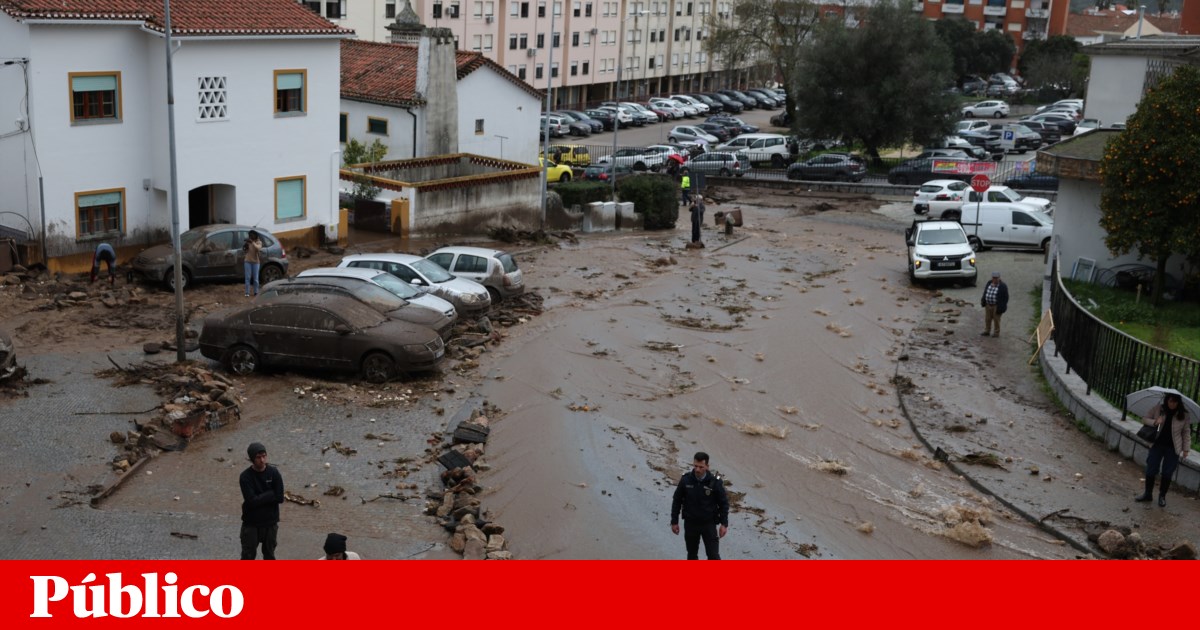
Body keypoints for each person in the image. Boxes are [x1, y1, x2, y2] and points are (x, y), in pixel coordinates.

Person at [670, 452, 729, 560]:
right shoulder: (686, 480)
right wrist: (674, 521)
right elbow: (677, 501)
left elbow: (724, 504)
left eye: (701, 467)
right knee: (692, 556)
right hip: (690, 524)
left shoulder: (715, 482)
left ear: (707, 466)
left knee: (713, 556)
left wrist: (724, 524)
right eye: (695, 466)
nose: (697, 470)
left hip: (708, 525)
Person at [1135, 393, 1191, 507]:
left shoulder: (1184, 415)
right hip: (1157, 444)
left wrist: (1186, 449)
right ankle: (1148, 494)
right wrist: (1155, 421)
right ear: (1167, 400)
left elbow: (1186, 433)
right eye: (1170, 401)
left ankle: (1162, 496)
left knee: (1167, 472)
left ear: (1178, 403)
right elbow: (1144, 419)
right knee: (1151, 468)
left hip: (1173, 448)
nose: (1172, 404)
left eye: (1175, 402)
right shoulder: (1159, 408)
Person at [239, 441, 284, 560]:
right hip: (251, 523)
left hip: (270, 522)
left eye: (264, 456)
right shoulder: (245, 477)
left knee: (269, 555)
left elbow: (280, 497)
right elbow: (251, 501)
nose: (262, 460)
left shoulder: (274, 473)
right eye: (258, 457)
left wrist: (260, 498)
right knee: (248, 556)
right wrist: (270, 493)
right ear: (252, 459)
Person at [979, 271, 1008, 337]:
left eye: (996, 278)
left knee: (996, 319)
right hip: (988, 304)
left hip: (996, 305)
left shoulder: (1003, 286)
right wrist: (983, 300)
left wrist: (1002, 307)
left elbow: (1005, 297)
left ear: (999, 278)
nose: (995, 279)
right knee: (987, 319)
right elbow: (985, 292)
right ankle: (987, 331)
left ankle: (996, 333)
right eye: (994, 278)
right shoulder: (989, 283)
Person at [243, 231, 263, 297]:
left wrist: (252, 242)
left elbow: (258, 248)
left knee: (255, 278)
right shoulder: (248, 242)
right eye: (250, 235)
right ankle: (247, 292)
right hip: (247, 261)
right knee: (247, 278)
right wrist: (245, 246)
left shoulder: (258, 242)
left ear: (255, 236)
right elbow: (244, 250)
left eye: (252, 235)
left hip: (256, 262)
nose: (251, 236)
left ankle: (256, 292)